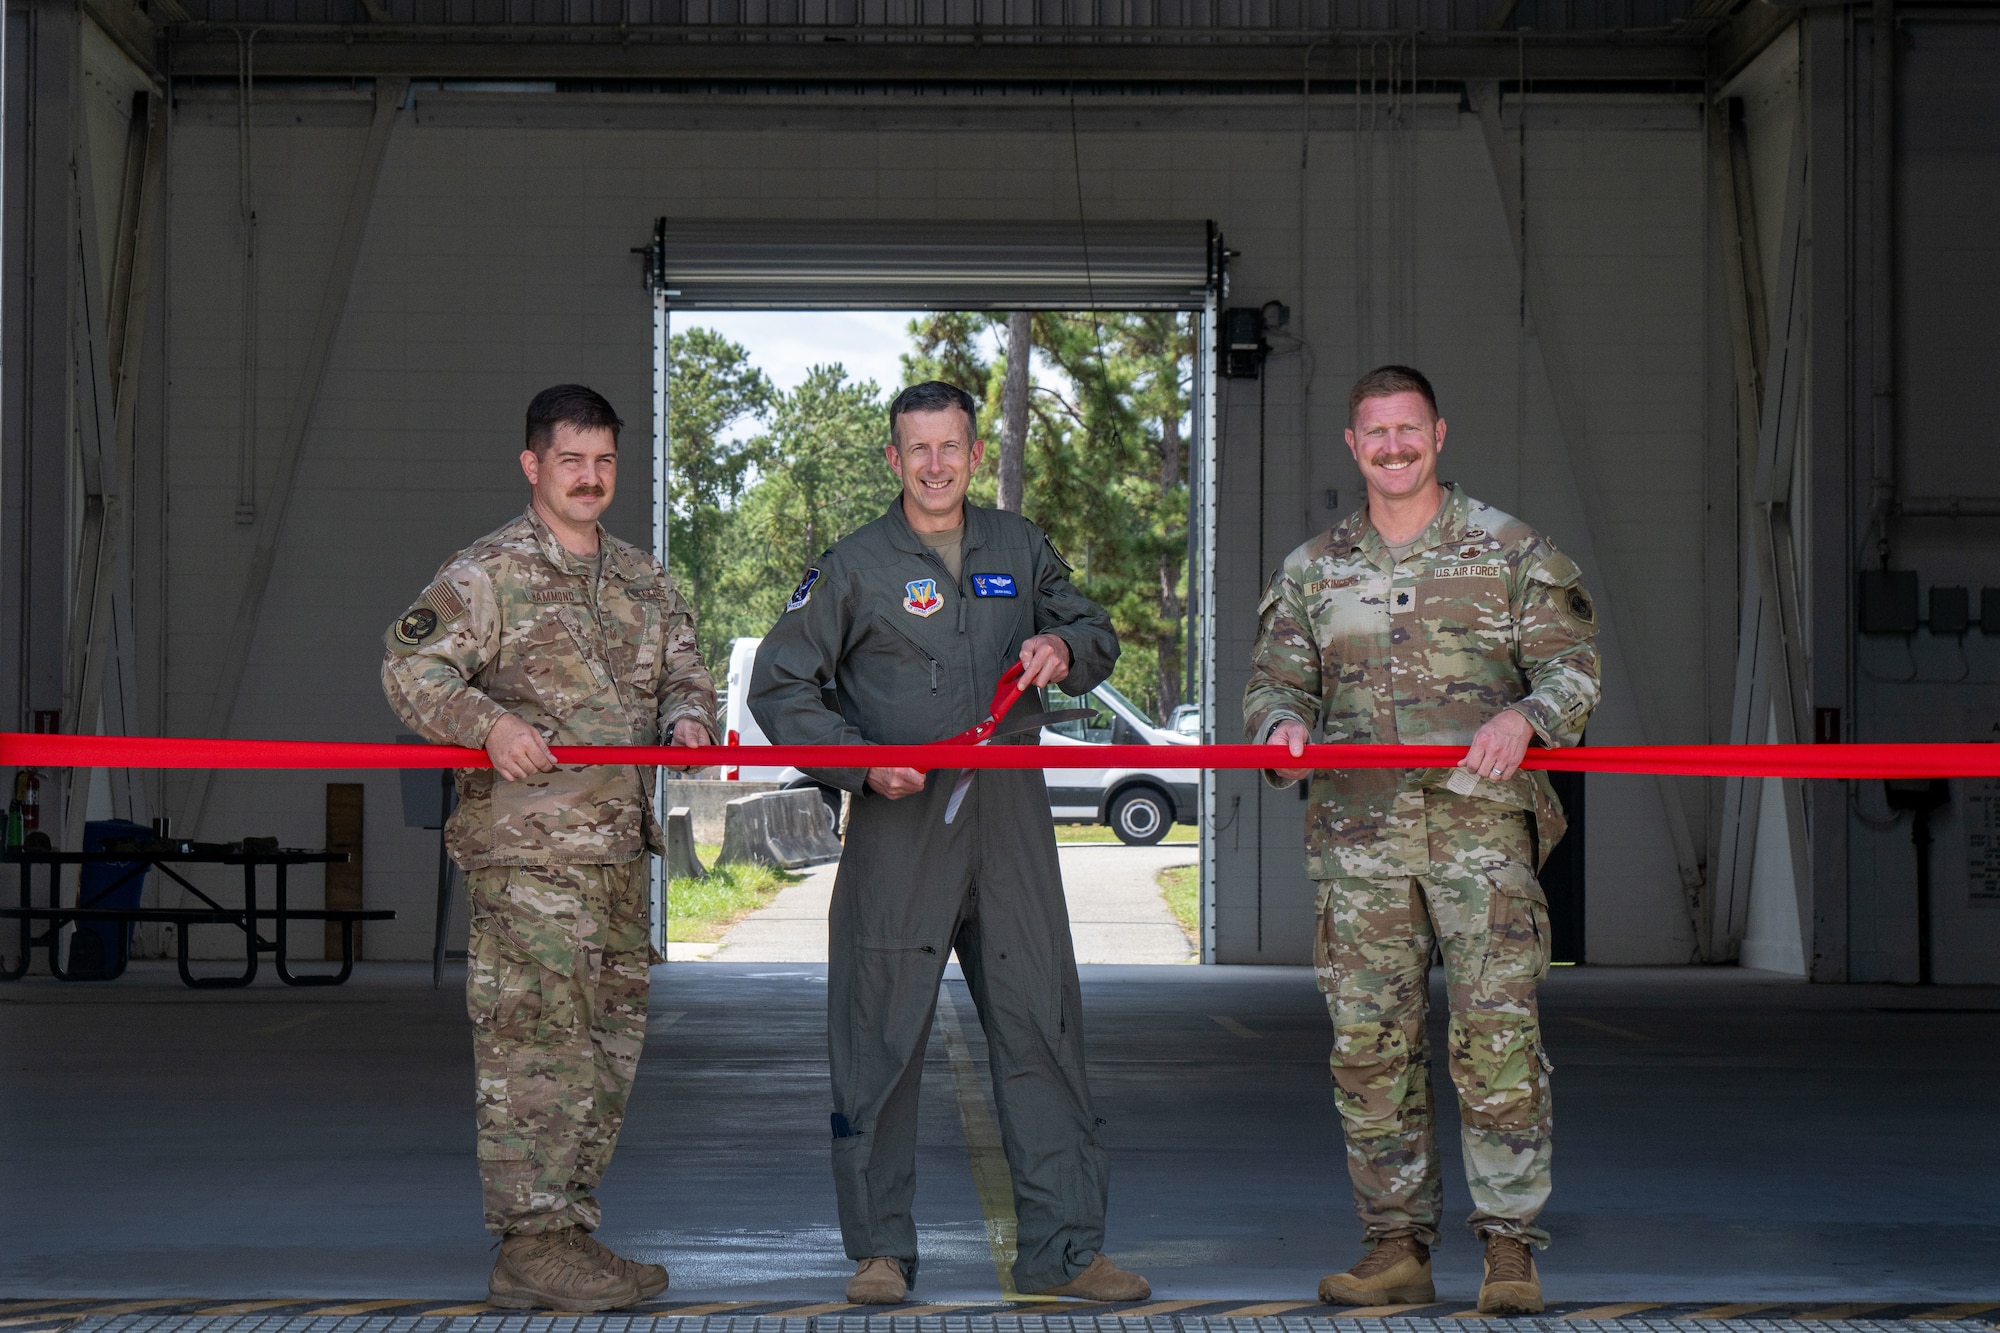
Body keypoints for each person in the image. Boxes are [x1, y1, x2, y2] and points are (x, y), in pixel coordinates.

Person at [748, 381, 1150, 1306]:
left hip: (1009, 815)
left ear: (975, 452)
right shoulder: (853, 564)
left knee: (1040, 1026)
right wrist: (859, 764)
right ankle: (880, 1252)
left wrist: (1064, 650)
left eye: (951, 446)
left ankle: (1063, 1251)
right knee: (878, 1035)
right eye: (916, 449)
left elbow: (1093, 628)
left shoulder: (1020, 545)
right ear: (893, 460)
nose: (936, 464)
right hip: (902, 822)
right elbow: (782, 689)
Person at [1242, 365, 1601, 1316]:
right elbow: (1274, 686)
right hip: (1359, 847)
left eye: (1409, 430)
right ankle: (1394, 1245)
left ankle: (1510, 1249)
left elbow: (1572, 669)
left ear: (1438, 434)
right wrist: (1279, 732)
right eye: (1376, 433)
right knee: (1370, 1049)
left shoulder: (1511, 548)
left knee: (1499, 1041)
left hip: (1481, 838)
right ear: (1353, 446)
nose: (1394, 447)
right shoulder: (1313, 569)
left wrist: (1526, 716)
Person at [382, 384, 716, 1312]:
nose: (590, 477)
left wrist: (690, 718)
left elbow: (684, 668)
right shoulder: (487, 572)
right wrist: (486, 724)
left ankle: (565, 1231)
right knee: (536, 1046)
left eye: (604, 460)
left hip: (614, 854)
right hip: (527, 856)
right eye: (571, 460)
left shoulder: (643, 579)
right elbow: (410, 666)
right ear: (534, 465)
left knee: (606, 1049)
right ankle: (529, 1242)